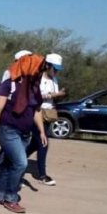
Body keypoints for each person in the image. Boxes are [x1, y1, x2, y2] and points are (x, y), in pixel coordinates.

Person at [0, 54, 47, 213]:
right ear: (29, 67)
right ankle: (11, 198)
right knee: (21, 163)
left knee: (10, 163)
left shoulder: (34, 86)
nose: (40, 71)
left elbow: (36, 110)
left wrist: (41, 131)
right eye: (38, 68)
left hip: (25, 134)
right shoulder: (9, 85)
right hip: (8, 130)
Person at [0, 50, 33, 182]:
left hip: (24, 124)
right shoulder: (9, 76)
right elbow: (2, 101)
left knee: (12, 155)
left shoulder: (31, 79)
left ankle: (3, 178)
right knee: (18, 159)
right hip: (9, 122)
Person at [26, 53, 66, 186]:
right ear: (47, 65)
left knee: (34, 144)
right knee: (43, 143)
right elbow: (35, 96)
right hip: (37, 114)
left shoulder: (54, 80)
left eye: (58, 70)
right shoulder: (38, 78)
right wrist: (55, 94)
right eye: (54, 69)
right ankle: (42, 175)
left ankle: (10, 162)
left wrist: (60, 96)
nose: (56, 72)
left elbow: (52, 96)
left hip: (49, 114)